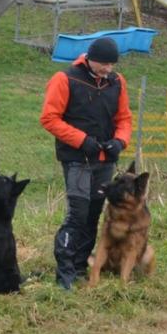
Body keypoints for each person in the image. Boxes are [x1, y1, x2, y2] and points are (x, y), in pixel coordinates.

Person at [40, 36, 133, 290]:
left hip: (105, 160)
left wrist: (120, 142)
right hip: (77, 159)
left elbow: (124, 119)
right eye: (103, 63)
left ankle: (80, 266)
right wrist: (82, 141)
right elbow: (49, 118)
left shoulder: (118, 82)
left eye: (111, 64)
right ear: (89, 58)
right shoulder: (65, 79)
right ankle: (65, 272)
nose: (107, 69)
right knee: (77, 215)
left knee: (93, 214)